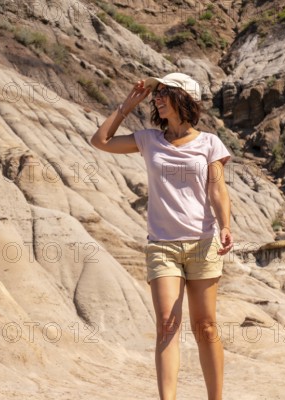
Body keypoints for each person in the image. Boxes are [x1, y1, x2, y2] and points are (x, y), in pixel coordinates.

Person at [90, 72, 233, 400]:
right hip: (162, 246)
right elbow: (101, 141)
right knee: (168, 323)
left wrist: (225, 225)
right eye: (157, 92)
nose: (158, 97)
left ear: (186, 99)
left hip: (202, 242)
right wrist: (127, 106)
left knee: (206, 326)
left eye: (166, 92)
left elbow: (217, 189)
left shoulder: (210, 143)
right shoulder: (148, 139)